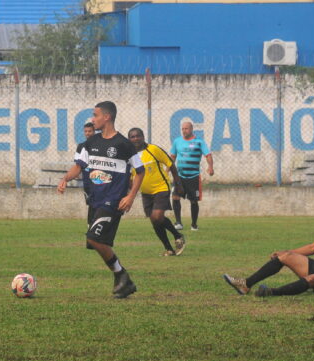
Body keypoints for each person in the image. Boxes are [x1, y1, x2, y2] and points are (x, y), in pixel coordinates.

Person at [58, 101, 145, 299]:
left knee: (94, 238)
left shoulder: (124, 144)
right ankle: (122, 280)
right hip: (95, 200)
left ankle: (122, 275)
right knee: (96, 243)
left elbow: (141, 171)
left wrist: (130, 197)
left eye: (95, 115)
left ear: (107, 117)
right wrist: (65, 178)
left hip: (113, 201)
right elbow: (78, 167)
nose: (92, 119)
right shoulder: (90, 143)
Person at [223, 200, 314, 297]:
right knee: (284, 257)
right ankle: (246, 284)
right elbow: (313, 247)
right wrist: (288, 252)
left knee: (313, 279)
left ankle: (272, 292)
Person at [128, 127, 186, 256]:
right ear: (129, 139)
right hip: (145, 192)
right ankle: (169, 249)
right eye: (132, 137)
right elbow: (131, 175)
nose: (135, 139)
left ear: (143, 136)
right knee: (154, 220)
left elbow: (170, 164)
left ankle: (177, 235)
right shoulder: (130, 156)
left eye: (138, 136)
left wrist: (178, 184)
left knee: (157, 216)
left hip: (161, 188)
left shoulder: (153, 149)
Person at [170, 121, 214, 231]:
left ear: (191, 129)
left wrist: (210, 167)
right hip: (179, 176)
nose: (184, 131)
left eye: (186, 129)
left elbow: (208, 155)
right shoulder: (177, 141)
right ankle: (178, 223)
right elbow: (172, 156)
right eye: (183, 129)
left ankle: (194, 225)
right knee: (175, 197)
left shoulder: (199, 142)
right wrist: (168, 169)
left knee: (193, 201)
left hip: (193, 176)